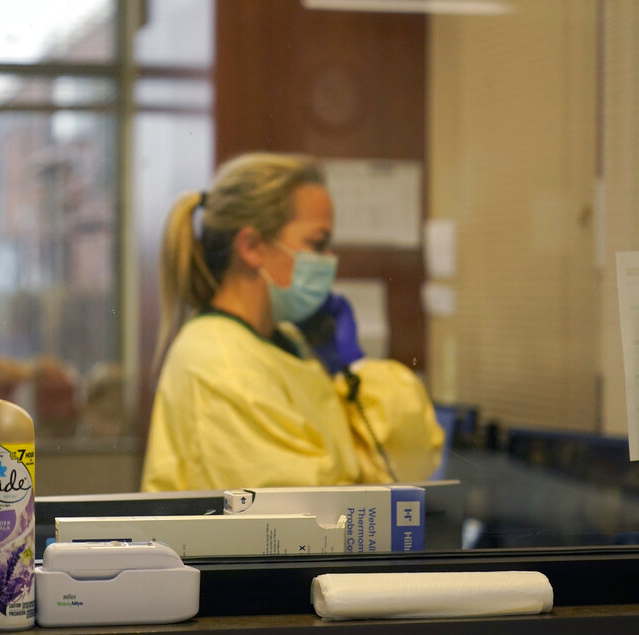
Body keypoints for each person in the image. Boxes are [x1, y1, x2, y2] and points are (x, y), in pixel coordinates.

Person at [140, 152, 443, 492]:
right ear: (252, 246)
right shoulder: (221, 365)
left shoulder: (285, 343)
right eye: (317, 244)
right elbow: (310, 510)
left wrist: (355, 371)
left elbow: (403, 465)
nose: (329, 261)